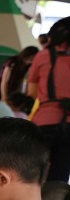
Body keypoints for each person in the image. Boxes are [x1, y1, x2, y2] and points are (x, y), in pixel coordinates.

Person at [26, 16, 70, 182]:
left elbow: (31, 92)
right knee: (60, 175)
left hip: (45, 120)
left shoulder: (43, 56)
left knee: (30, 171)